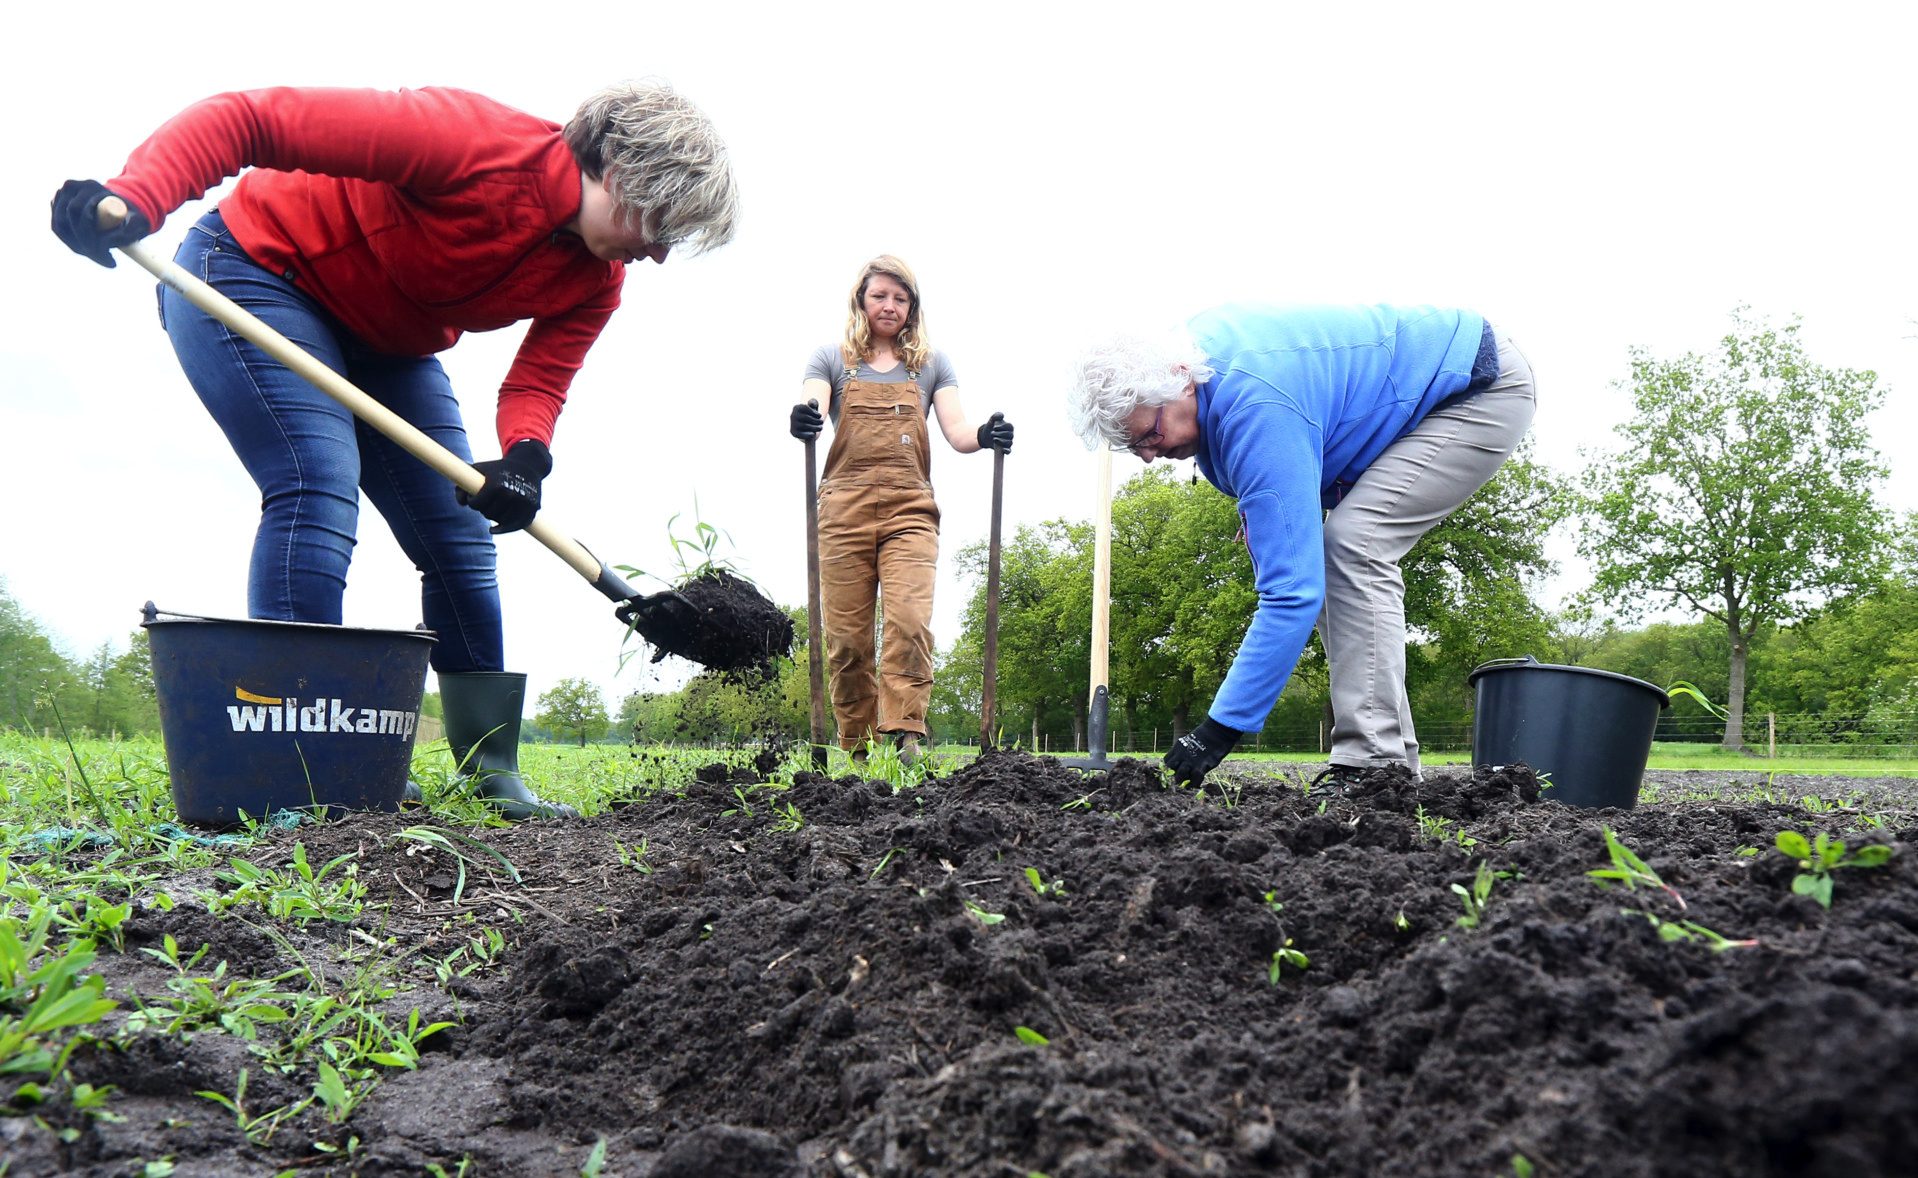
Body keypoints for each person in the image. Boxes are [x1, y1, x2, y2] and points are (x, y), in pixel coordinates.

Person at [51, 82, 739, 818]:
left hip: (387, 344)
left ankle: (492, 770)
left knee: (461, 537)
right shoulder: (471, 142)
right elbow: (251, 120)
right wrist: (137, 197)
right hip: (255, 270)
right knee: (317, 479)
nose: (660, 252)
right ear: (616, 170)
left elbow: (540, 378)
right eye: (659, 221)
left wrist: (523, 460)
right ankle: (304, 756)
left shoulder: (597, 280)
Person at [1067, 304, 1535, 789]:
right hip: (1427, 392)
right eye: (1131, 446)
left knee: (1354, 545)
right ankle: (1390, 769)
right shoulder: (1200, 376)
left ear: (1182, 380)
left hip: (1477, 386)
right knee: (1343, 553)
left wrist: (1218, 730)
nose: (1146, 456)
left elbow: (1292, 592)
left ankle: (1371, 764)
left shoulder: (1256, 406)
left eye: (1150, 434)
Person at [788, 256, 1014, 763]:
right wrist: (804, 416)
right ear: (861, 302)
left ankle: (907, 732)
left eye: (900, 298)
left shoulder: (931, 365)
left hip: (910, 510)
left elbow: (956, 432)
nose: (889, 306)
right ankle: (857, 746)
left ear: (912, 307)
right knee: (846, 641)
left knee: (909, 621)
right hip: (842, 512)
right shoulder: (831, 358)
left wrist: (985, 435)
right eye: (879, 296)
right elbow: (814, 404)